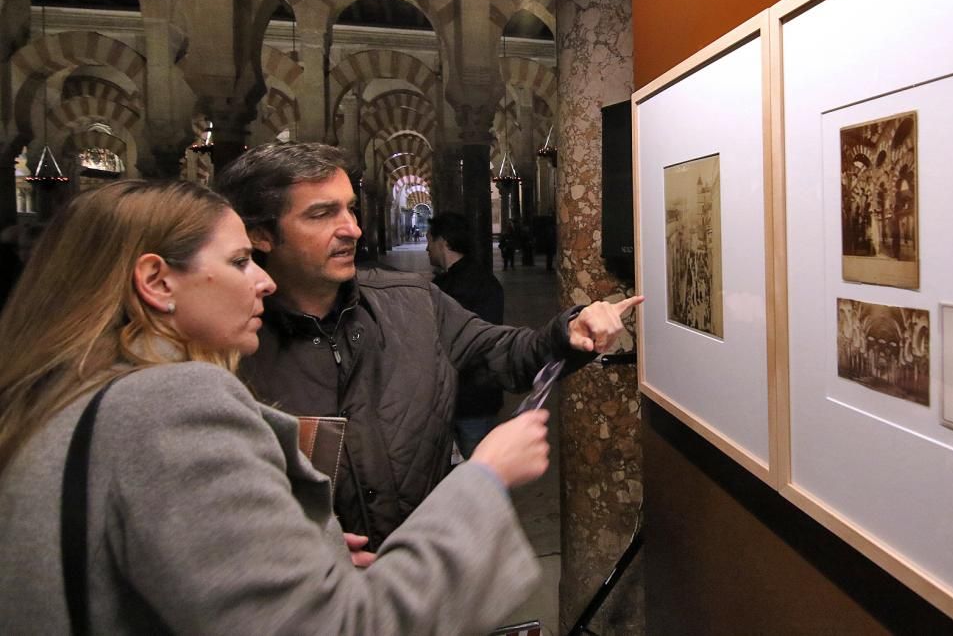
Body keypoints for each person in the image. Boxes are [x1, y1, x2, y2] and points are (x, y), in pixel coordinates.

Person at [0, 180, 552, 634]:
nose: (263, 281)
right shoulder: (169, 404)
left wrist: (298, 554)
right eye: (240, 261)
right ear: (156, 280)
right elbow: (346, 628)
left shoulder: (60, 395)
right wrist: (483, 478)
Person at [214, 143, 642, 550]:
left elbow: (504, 353)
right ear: (261, 235)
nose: (353, 229)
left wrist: (568, 332)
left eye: (351, 208)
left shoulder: (412, 300)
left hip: (427, 571)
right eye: (322, 214)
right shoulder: (224, 352)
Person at [427, 211, 505, 457]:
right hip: (479, 397)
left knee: (474, 473)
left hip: (465, 399)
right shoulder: (485, 280)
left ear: (443, 242)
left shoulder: (446, 290)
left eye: (430, 241)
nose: (427, 249)